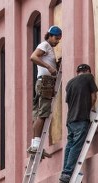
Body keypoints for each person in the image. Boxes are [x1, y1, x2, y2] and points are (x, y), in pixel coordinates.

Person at [59, 63, 98, 183]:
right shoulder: (89, 77)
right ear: (88, 70)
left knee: (70, 145)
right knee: (76, 145)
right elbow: (93, 97)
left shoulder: (69, 83)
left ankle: (65, 173)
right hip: (81, 117)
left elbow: (68, 101)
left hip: (70, 120)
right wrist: (89, 110)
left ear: (77, 72)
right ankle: (68, 172)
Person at [28, 25, 63, 155]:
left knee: (39, 113)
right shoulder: (45, 45)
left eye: (59, 39)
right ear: (49, 35)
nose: (57, 41)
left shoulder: (48, 48)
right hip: (45, 82)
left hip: (43, 82)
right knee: (43, 113)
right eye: (56, 38)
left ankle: (35, 144)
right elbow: (33, 57)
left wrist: (56, 65)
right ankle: (36, 145)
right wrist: (49, 67)